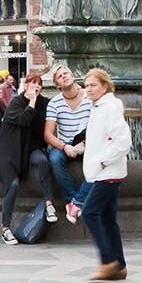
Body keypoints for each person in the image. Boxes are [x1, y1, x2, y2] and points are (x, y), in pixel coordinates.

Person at [80, 69, 131, 281]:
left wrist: (102, 161)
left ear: (104, 86)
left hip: (107, 172)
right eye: (86, 85)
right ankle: (119, 265)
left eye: (93, 85)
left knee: (89, 213)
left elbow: (123, 141)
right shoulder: (99, 107)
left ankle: (108, 261)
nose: (88, 89)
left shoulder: (108, 108)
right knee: (108, 218)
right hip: (105, 171)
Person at [0, 72, 47, 244]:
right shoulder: (15, 102)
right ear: (26, 86)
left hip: (21, 153)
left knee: (39, 165)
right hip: (6, 152)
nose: (36, 86)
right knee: (13, 184)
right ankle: (5, 228)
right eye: (33, 83)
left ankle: (49, 202)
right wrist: (32, 102)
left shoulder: (41, 104)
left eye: (39, 83)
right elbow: (23, 120)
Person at [34, 65, 90, 222]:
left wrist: (84, 144)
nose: (64, 76)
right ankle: (73, 200)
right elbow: (48, 135)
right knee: (55, 159)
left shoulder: (89, 97)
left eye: (66, 73)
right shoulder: (55, 103)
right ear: (57, 85)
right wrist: (65, 147)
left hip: (88, 144)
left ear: (73, 76)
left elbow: (98, 126)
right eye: (60, 76)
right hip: (65, 146)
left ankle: (75, 203)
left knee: (99, 165)